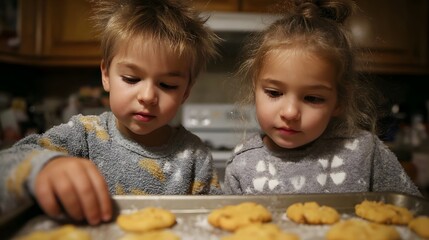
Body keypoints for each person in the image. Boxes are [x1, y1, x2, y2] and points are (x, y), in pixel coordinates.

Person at [0, 0, 222, 226]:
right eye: (131, 79)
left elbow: (214, 222)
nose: (147, 96)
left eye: (167, 85)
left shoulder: (194, 156)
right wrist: (45, 167)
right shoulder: (84, 135)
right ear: (106, 75)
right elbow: (7, 164)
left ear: (185, 92)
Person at [223, 0, 421, 197]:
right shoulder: (243, 162)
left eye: (312, 98)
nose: (290, 112)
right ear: (255, 89)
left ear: (339, 101)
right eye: (274, 93)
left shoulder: (366, 154)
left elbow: (412, 215)